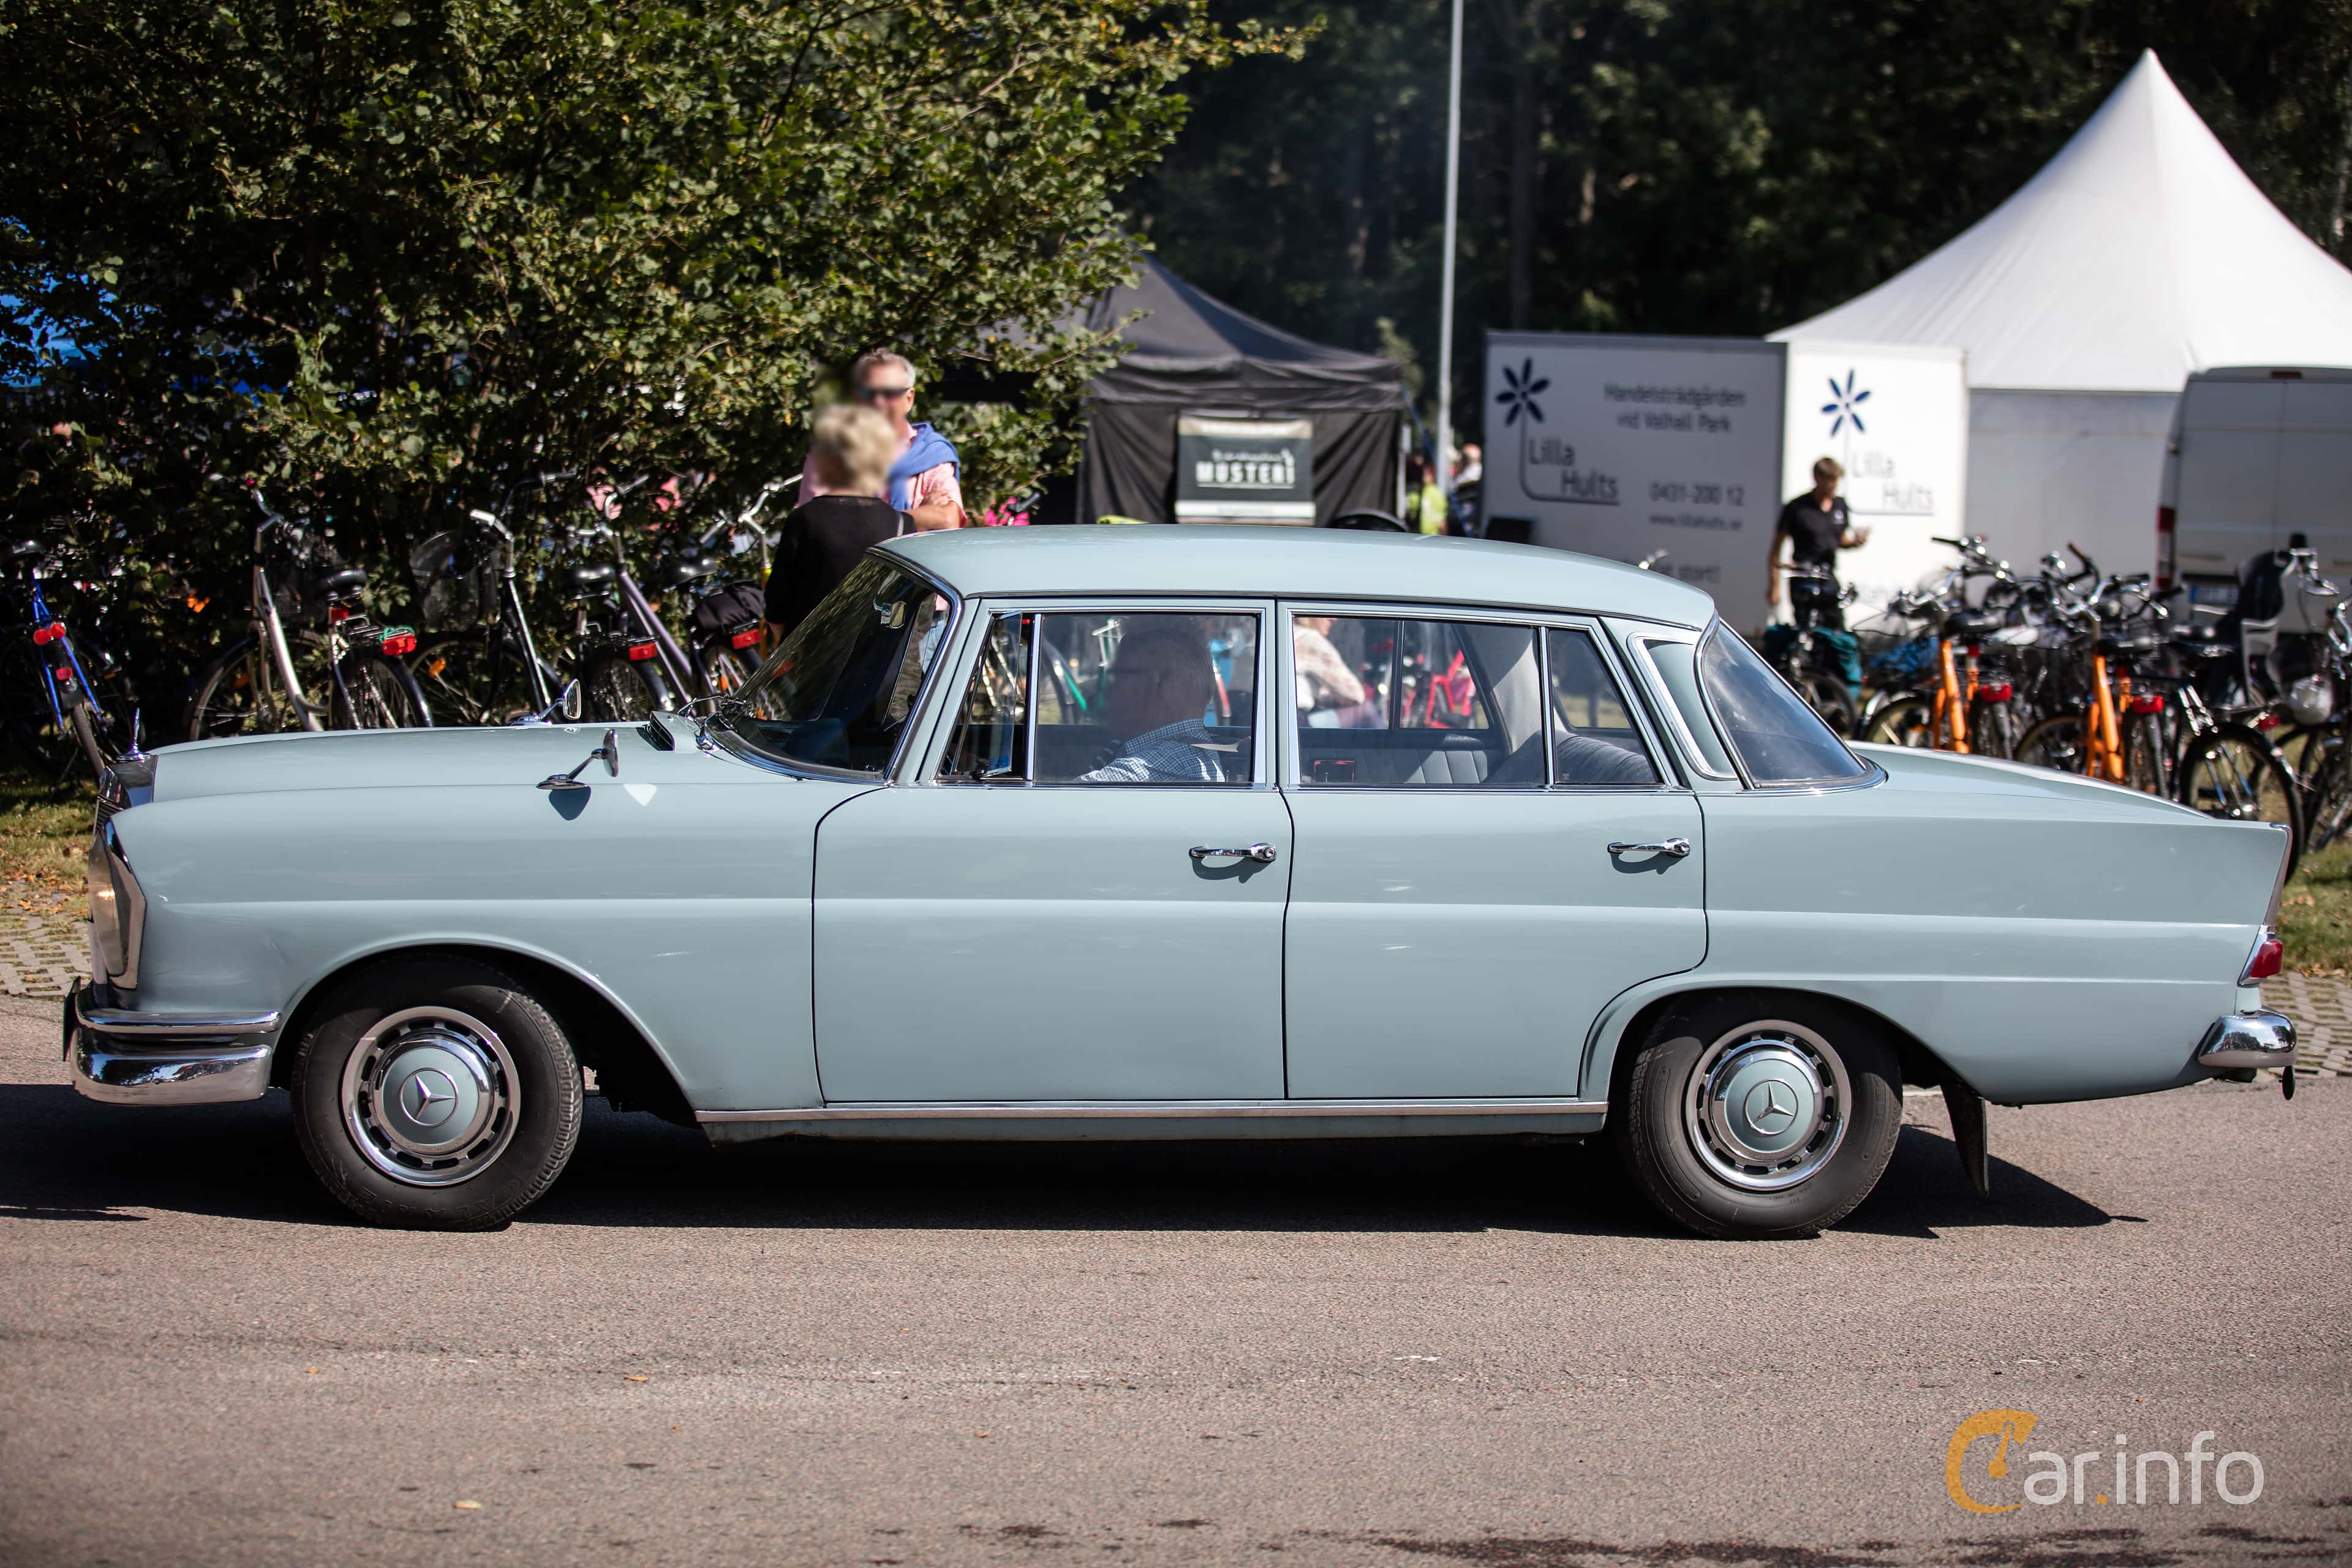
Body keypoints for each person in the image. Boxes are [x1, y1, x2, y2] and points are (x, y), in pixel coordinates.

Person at [765, 403, 909, 639]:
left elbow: (776, 602)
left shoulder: (804, 519)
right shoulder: (900, 524)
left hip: (813, 659)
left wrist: (789, 648)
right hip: (875, 657)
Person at [798, 350, 965, 530]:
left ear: (909, 399)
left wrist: (857, 522)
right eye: (868, 393)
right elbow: (815, 528)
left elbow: (947, 520)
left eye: (889, 393)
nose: (878, 402)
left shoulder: (931, 455)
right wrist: (919, 518)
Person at [1079, 625, 1230, 783]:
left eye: (1119, 676)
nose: (1109, 689)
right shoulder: (1187, 753)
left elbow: (1063, 800)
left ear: (1152, 686)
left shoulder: (1163, 766)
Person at [1770, 456, 1869, 629]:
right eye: (1830, 480)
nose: (1833, 485)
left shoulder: (1840, 505)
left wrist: (1855, 543)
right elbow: (1776, 550)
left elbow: (1839, 540)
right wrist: (1774, 586)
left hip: (1828, 575)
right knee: (1805, 628)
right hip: (1803, 575)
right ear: (1817, 478)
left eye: (1836, 480)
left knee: (1836, 627)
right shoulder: (1797, 507)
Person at [1406, 453, 1447, 536]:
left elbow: (1443, 523)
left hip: (1431, 538)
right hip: (1416, 537)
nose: (1424, 473)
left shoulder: (1436, 493)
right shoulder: (1412, 493)